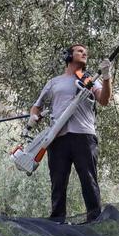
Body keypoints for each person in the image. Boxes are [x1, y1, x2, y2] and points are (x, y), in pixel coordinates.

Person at [30, 44, 113, 223]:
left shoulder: (89, 79)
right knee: (57, 182)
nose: (84, 53)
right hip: (57, 138)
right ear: (68, 55)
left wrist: (106, 77)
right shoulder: (54, 82)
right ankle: (57, 222)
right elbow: (37, 106)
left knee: (88, 179)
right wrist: (34, 116)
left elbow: (104, 100)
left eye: (86, 52)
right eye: (80, 51)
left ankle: (95, 220)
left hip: (83, 135)